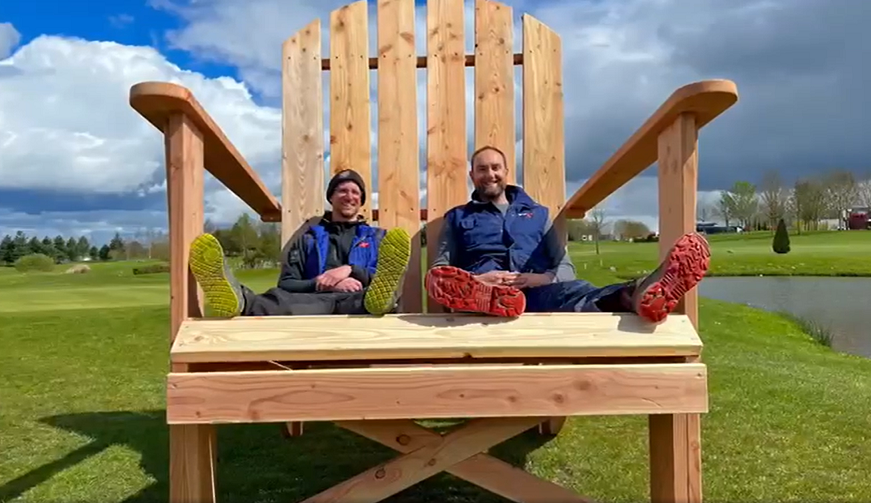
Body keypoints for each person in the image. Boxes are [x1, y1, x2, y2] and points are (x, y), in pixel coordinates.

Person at [424, 145, 711, 323]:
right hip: (481, 294)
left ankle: (637, 294)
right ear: (472, 176)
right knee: (466, 291)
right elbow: (440, 270)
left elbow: (565, 267)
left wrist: (541, 278)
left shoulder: (538, 214)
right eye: (481, 169)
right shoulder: (458, 217)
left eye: (495, 167)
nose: (490, 174)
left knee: (578, 290)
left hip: (535, 295)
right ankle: (483, 298)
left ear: (506, 172)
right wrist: (478, 280)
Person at [188, 169, 411, 318]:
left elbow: (387, 275)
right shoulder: (308, 239)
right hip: (316, 303)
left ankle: (382, 302)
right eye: (342, 190)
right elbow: (288, 283)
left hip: (359, 301)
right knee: (277, 299)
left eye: (355, 192)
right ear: (331, 198)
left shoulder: (379, 238)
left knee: (375, 296)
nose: (348, 196)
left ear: (361, 201)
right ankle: (239, 298)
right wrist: (324, 283)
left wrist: (351, 270)